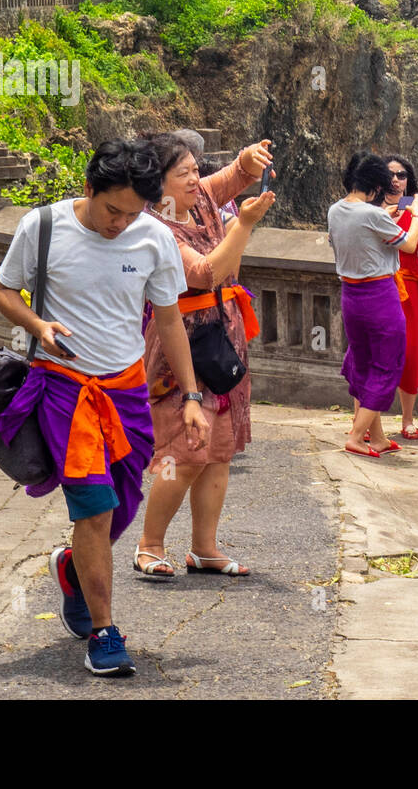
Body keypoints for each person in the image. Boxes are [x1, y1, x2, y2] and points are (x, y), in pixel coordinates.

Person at [0, 140, 211, 677]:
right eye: (113, 210)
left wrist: (191, 396)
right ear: (89, 189)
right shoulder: (42, 227)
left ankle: (72, 566)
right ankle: (104, 630)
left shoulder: (155, 238)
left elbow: (168, 320)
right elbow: (3, 292)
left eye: (133, 213)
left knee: (122, 505)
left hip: (128, 391)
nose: (120, 223)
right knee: (92, 506)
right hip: (64, 388)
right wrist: (38, 326)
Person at [134, 134, 274, 579]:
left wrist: (248, 161)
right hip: (182, 340)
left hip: (222, 332)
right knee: (187, 447)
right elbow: (204, 273)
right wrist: (244, 227)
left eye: (196, 169)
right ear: (158, 184)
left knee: (219, 448)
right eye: (184, 173)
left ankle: (204, 548)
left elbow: (233, 178)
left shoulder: (201, 198)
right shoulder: (155, 227)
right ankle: (149, 543)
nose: (196, 178)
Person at [328, 153, 418, 457]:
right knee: (387, 364)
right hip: (379, 295)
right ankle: (357, 436)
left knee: (363, 361)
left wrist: (389, 221)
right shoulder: (373, 215)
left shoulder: (335, 210)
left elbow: (363, 237)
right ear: (374, 188)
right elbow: (410, 245)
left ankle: (378, 437)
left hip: (350, 295)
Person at [380, 155, 418, 439]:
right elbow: (405, 245)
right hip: (384, 284)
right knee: (380, 352)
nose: (396, 179)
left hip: (412, 289)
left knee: (411, 352)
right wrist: (416, 232)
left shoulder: (415, 207)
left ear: (408, 179)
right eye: (390, 174)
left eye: (401, 174)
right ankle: (372, 420)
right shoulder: (376, 207)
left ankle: (407, 419)